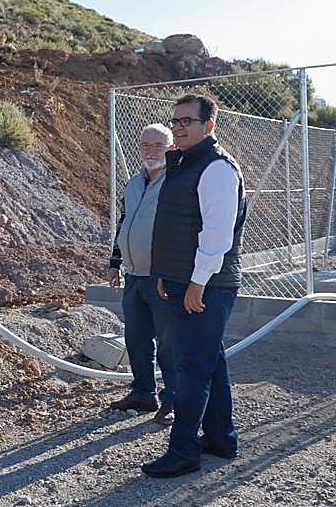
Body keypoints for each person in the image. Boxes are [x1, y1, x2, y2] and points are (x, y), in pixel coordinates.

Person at [142, 93, 248, 478]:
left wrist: (197, 283)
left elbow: (217, 234)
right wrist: (168, 277)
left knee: (191, 367)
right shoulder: (187, 164)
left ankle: (184, 449)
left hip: (207, 283)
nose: (179, 127)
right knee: (210, 360)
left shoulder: (216, 168)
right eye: (176, 121)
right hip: (185, 280)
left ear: (209, 125)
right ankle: (220, 438)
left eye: (187, 120)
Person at [106, 123, 177, 425]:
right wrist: (114, 261)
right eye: (145, 145)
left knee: (169, 342)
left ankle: (173, 399)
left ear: (171, 149)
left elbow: (180, 231)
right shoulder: (133, 184)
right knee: (136, 338)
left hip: (162, 277)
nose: (151, 151)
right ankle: (143, 392)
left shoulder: (177, 182)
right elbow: (124, 222)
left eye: (158, 146)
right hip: (134, 275)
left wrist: (169, 271)